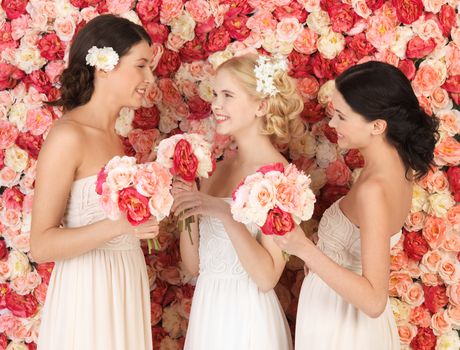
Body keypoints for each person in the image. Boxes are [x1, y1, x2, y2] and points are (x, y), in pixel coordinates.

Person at [273, 61, 439, 349]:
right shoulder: (399, 167)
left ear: (377, 125)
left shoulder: (373, 188)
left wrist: (304, 249)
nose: (332, 124)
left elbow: (374, 300)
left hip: (345, 326)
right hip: (336, 316)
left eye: (341, 116)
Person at [30, 14, 157, 350]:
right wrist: (120, 226)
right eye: (141, 65)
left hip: (125, 283)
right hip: (88, 294)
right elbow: (41, 245)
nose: (151, 77)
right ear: (104, 65)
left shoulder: (116, 139)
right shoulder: (69, 136)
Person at [171, 53, 304, 349]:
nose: (216, 105)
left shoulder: (281, 178)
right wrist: (187, 199)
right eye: (216, 94)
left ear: (261, 105)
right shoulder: (216, 170)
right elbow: (194, 266)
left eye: (228, 95)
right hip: (209, 316)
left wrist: (225, 213)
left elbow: (267, 277)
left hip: (249, 321)